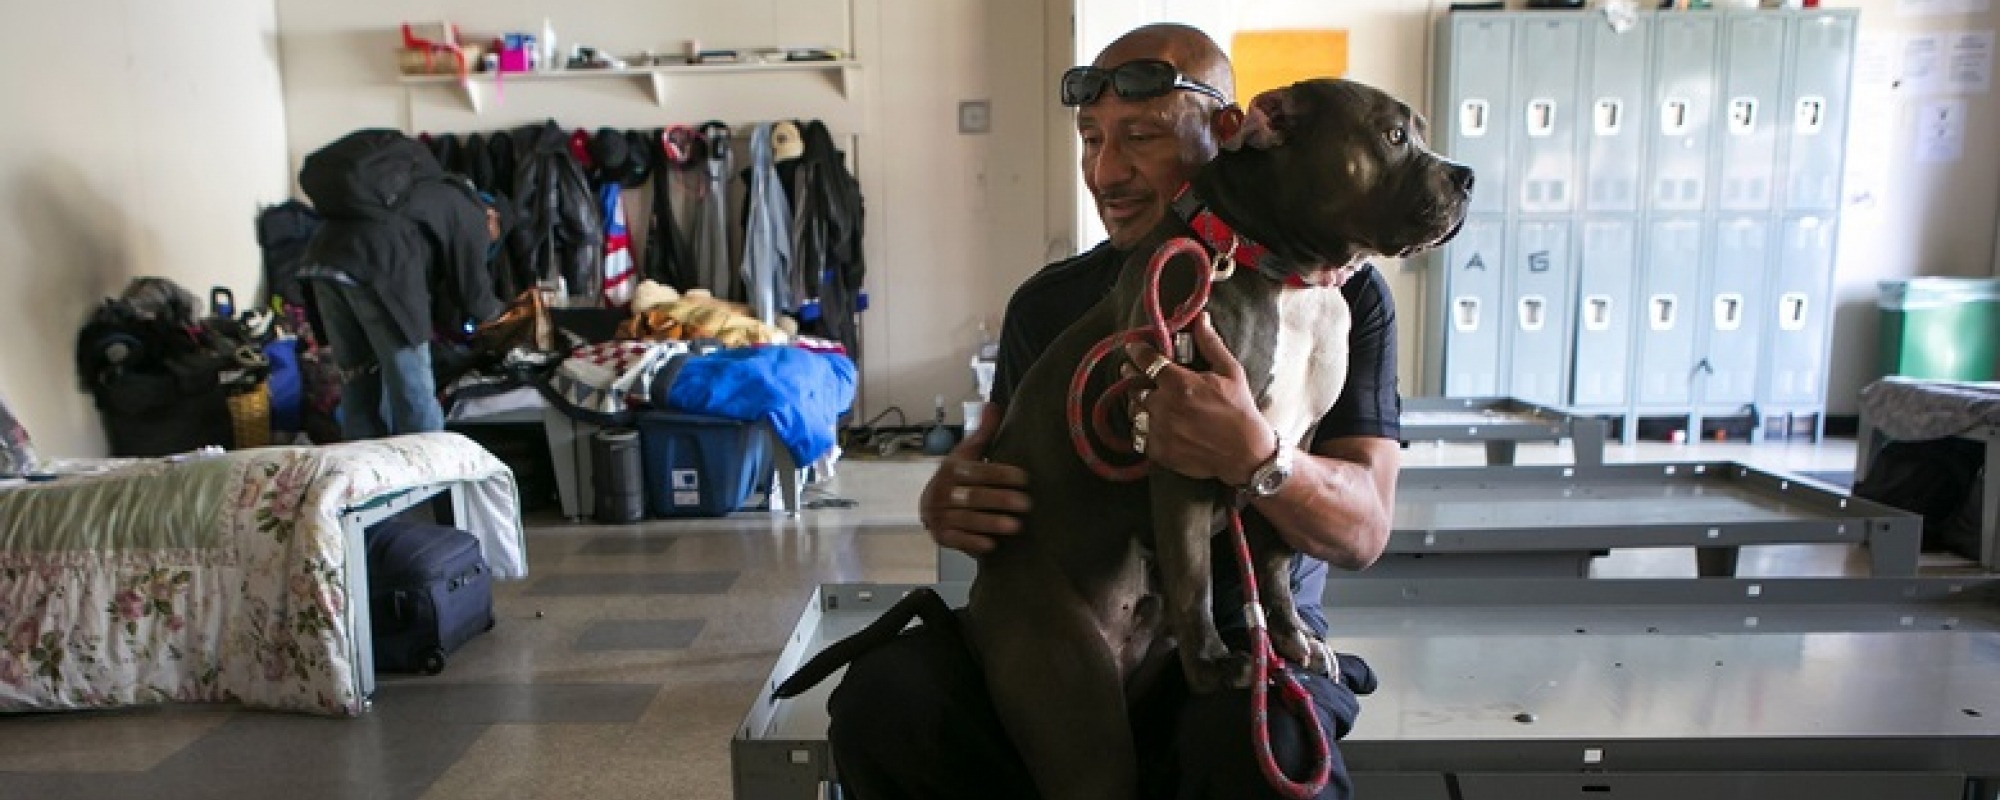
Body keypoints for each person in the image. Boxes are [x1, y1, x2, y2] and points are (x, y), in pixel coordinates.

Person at [826, 23, 1400, 800]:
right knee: (889, 704)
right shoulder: (1052, 305)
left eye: (1141, 137)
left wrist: (1258, 456)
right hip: (1072, 624)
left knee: (1266, 755)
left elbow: (1363, 529)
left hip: (1245, 631)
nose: (1106, 171)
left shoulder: (1343, 293)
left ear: (1230, 134)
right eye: (1090, 139)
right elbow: (1016, 481)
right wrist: (953, 501)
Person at [297, 130, 503, 440]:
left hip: (324, 261)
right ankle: (431, 480)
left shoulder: (426, 190)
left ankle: (367, 483)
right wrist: (505, 318)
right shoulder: (472, 215)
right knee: (412, 388)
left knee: (358, 382)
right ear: (493, 218)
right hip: (376, 267)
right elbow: (474, 295)